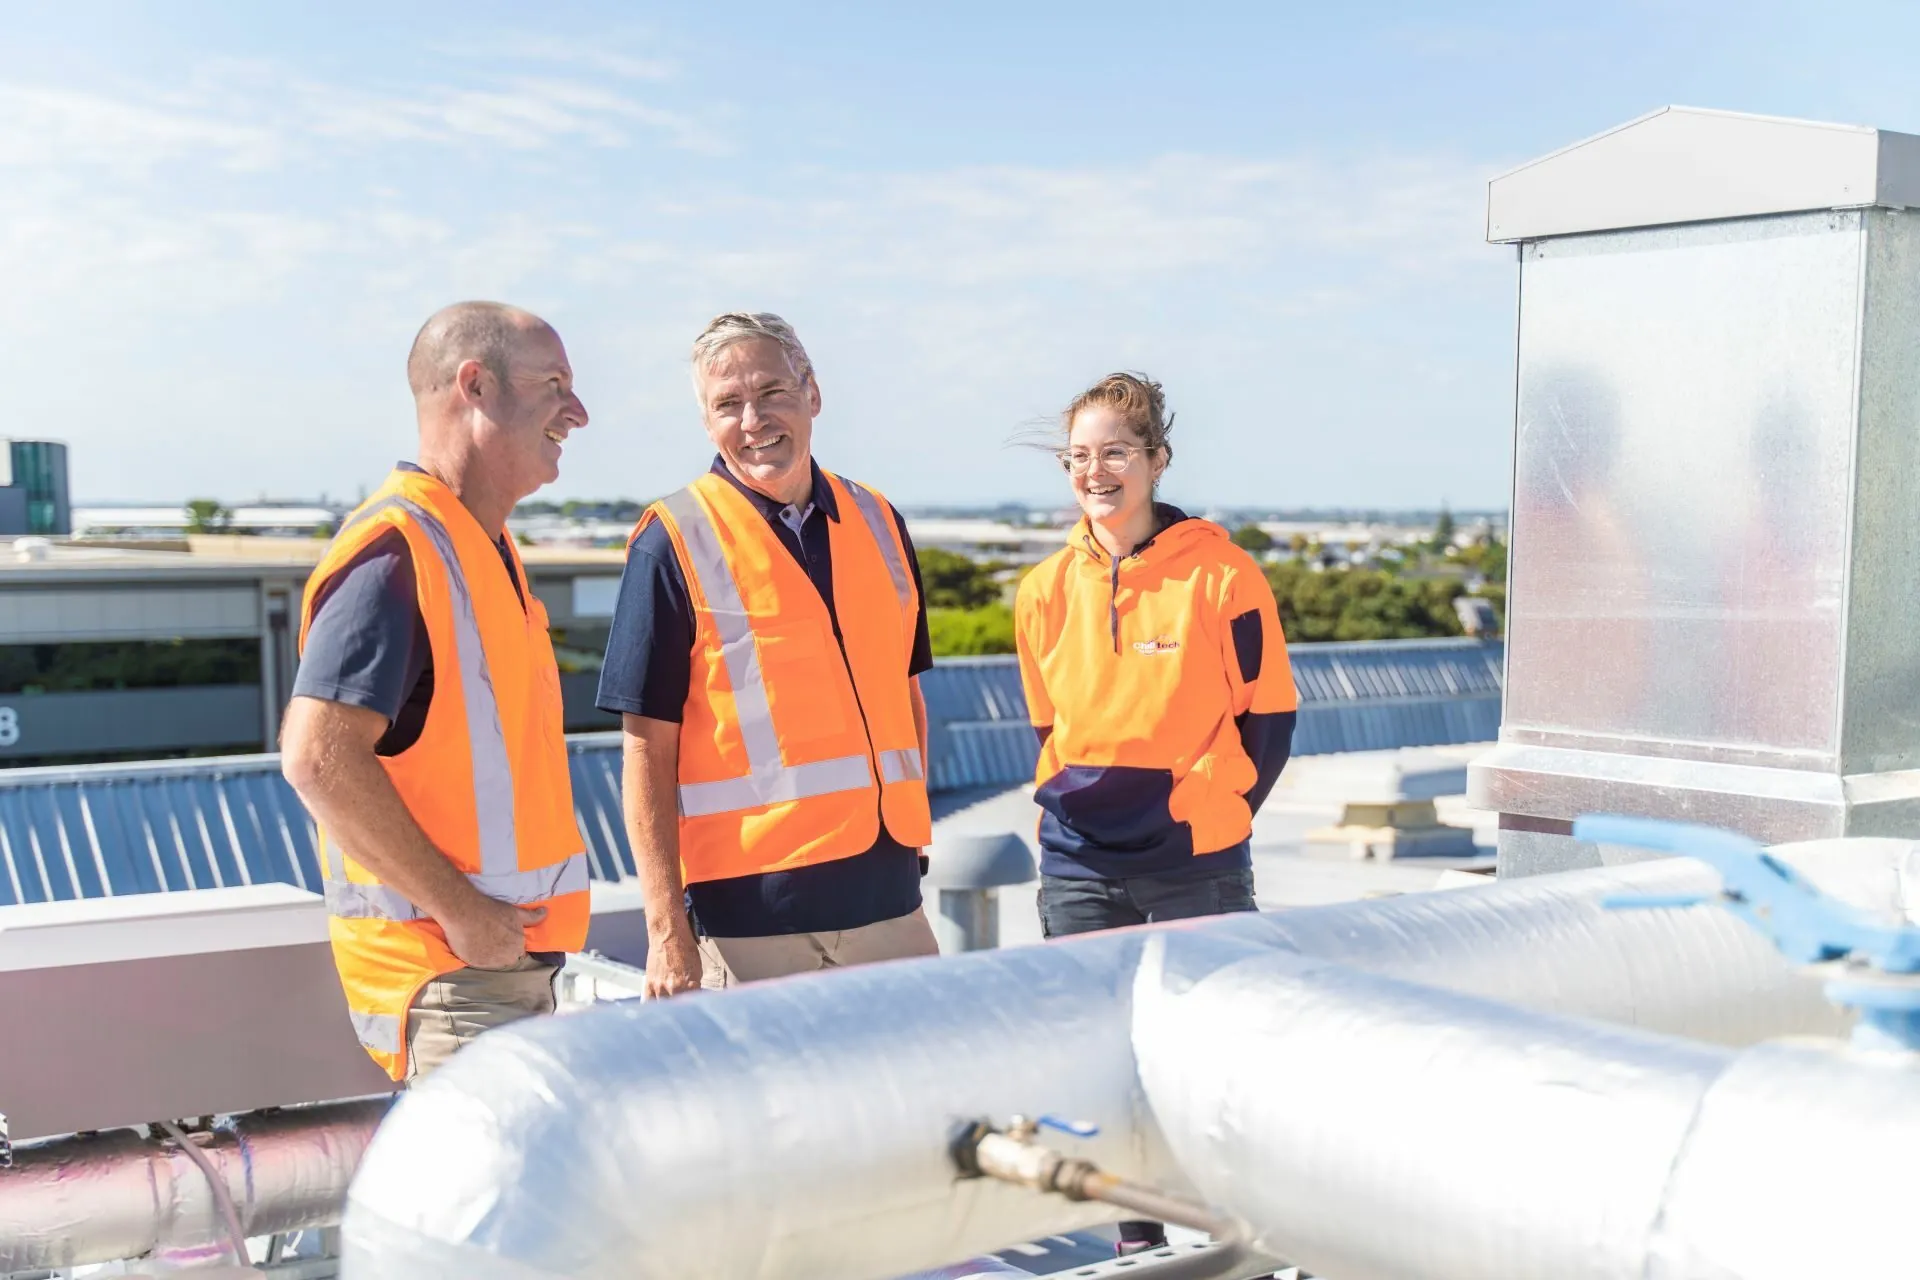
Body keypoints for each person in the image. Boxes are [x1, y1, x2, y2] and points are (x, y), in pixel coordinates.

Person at [1014, 372, 1297, 1259]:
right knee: (1102, 1067)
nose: (1095, 472)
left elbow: (1270, 718)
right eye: (1079, 457)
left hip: (1194, 861)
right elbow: (1050, 727)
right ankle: (1138, 1248)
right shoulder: (1042, 591)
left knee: (1216, 1064)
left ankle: (1238, 1253)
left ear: (1157, 460)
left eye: (1116, 453)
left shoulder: (1224, 576)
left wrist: (1213, 812)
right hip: (1078, 865)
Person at [281, 301, 592, 1084]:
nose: (577, 412)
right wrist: (463, 913)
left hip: (499, 972)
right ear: (475, 386)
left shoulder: (483, 546)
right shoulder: (397, 551)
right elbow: (317, 759)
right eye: (554, 385)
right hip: (455, 977)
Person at [598, 312, 940, 996]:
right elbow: (645, 748)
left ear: (812, 394)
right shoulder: (671, 540)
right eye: (728, 404)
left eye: (772, 392)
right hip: (751, 924)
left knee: (923, 1069)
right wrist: (665, 932)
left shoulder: (879, 521)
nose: (752, 420)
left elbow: (905, 692)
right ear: (707, 422)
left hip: (889, 903)